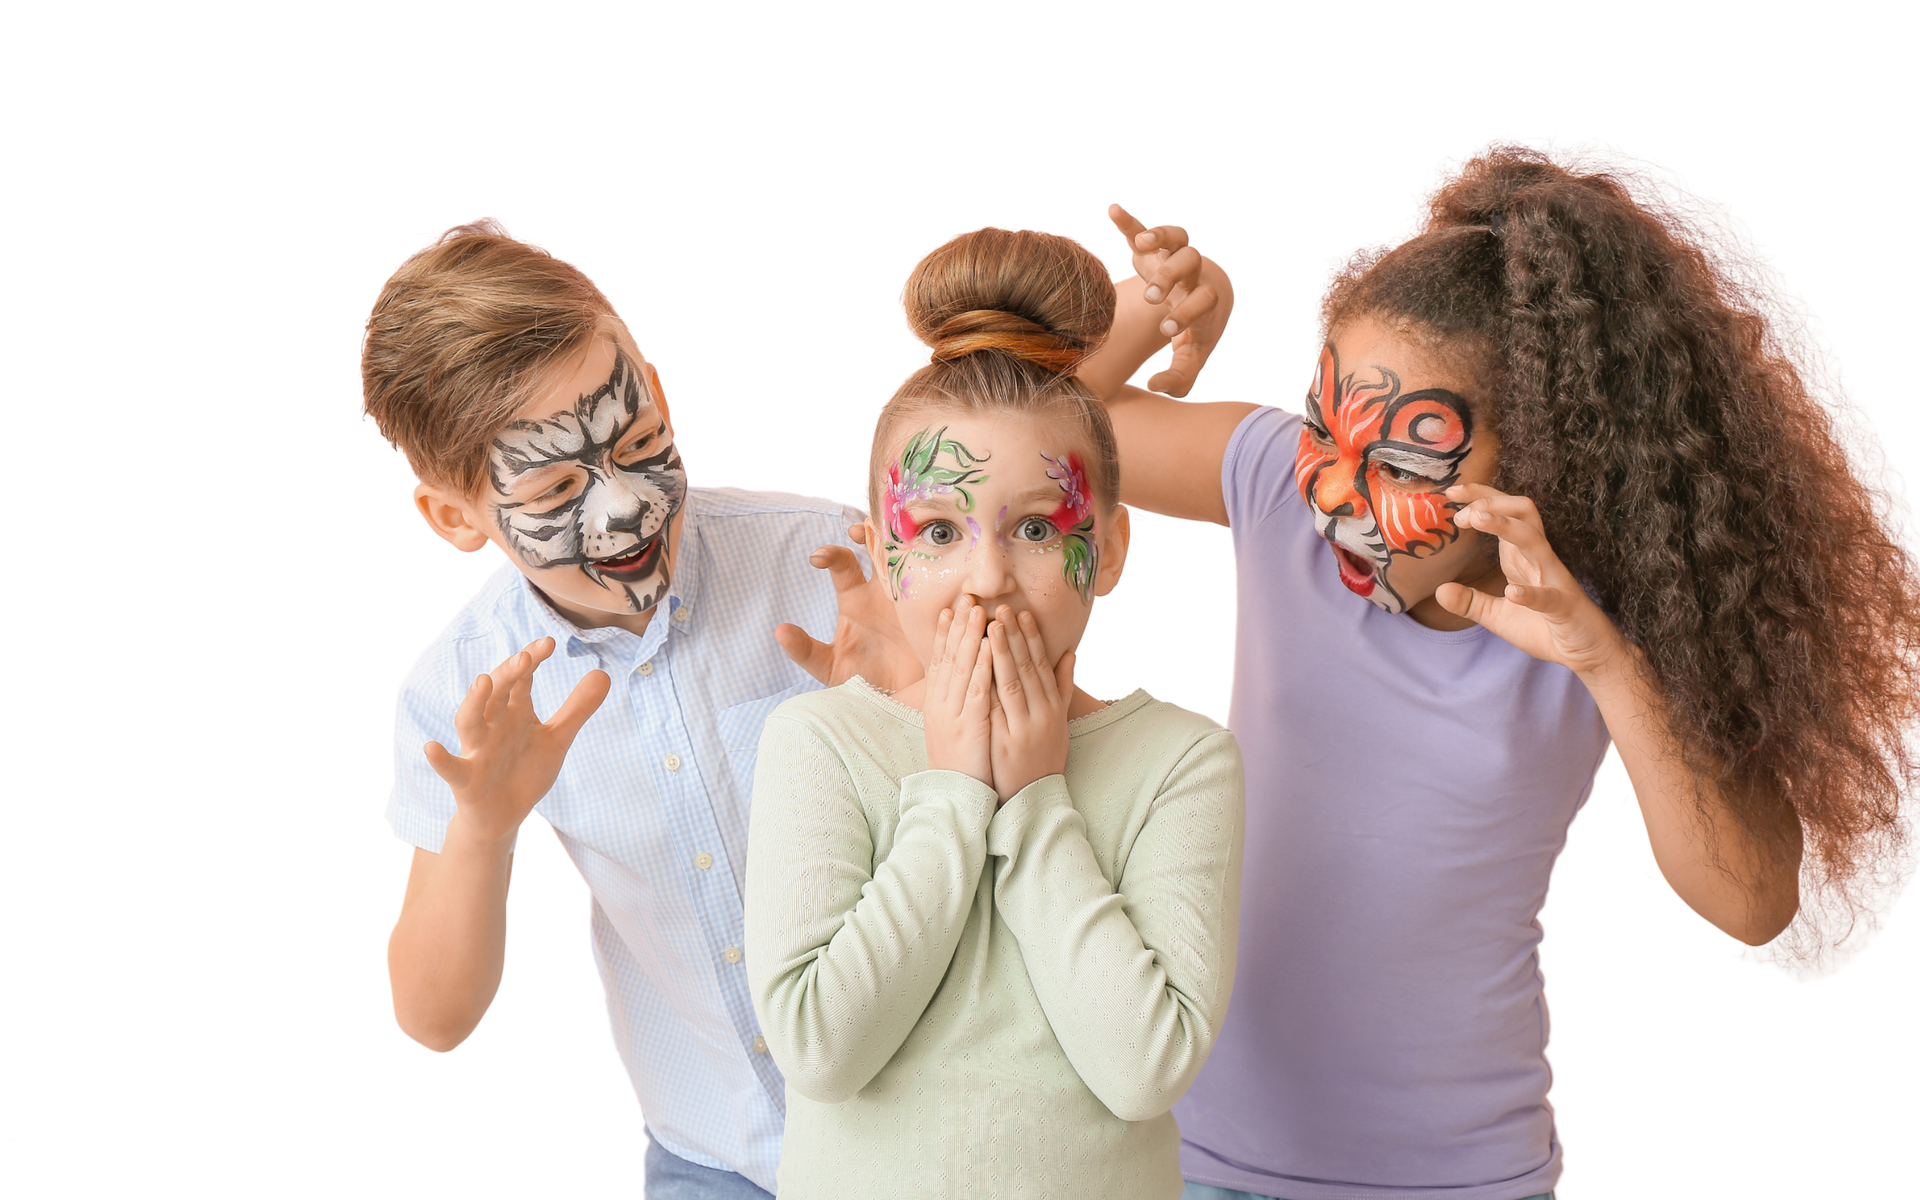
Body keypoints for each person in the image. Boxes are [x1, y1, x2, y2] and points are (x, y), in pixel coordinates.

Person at [1077, 140, 1918, 1200]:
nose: (1336, 496)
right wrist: (1151, 315)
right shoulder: (1275, 484)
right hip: (1193, 1158)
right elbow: (1034, 436)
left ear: (1541, 463)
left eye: (1400, 464)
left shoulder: (1607, 614)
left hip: (1459, 1179)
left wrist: (1607, 664)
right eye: (1327, 432)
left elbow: (1751, 902)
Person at [363, 210, 923, 1198]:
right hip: (716, 1163)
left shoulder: (827, 561)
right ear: (454, 516)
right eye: (553, 489)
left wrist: (902, 716)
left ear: (659, 390)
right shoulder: (459, 687)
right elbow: (435, 1020)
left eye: (640, 440)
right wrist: (483, 827)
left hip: (933, 1125)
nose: (625, 504)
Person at [741, 225, 1247, 1199]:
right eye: (936, 531)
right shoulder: (820, 742)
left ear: (1111, 549)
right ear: (881, 555)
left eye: (1036, 528)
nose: (985, 578)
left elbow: (1146, 1071)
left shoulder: (1182, 758)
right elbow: (817, 1050)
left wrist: (1036, 800)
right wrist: (954, 794)